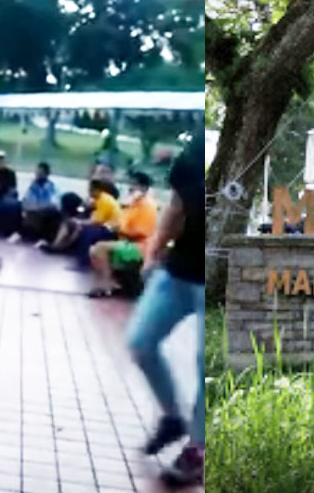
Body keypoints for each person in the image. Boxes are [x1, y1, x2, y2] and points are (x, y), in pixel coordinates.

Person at [126, 134, 204, 486]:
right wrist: (154, 251)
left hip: (218, 278)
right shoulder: (196, 149)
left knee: (205, 361)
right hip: (179, 269)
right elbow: (176, 204)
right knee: (140, 343)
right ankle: (173, 418)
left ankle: (198, 448)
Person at [88, 171, 158, 297]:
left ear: (144, 188)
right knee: (95, 247)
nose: (130, 188)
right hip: (128, 242)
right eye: (130, 184)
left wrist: (119, 230)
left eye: (134, 185)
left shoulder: (147, 205)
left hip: (141, 247)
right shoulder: (134, 204)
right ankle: (114, 283)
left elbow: (141, 232)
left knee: (99, 249)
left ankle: (105, 286)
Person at [52, 179, 120, 260]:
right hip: (106, 225)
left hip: (110, 229)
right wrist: (83, 207)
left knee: (83, 231)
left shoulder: (104, 201)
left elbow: (96, 221)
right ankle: (59, 246)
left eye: (90, 190)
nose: (89, 193)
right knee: (72, 224)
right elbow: (87, 207)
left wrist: (78, 221)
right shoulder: (100, 199)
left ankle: (82, 258)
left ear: (97, 190)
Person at [12, 162, 59, 244]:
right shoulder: (32, 186)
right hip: (33, 210)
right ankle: (21, 234)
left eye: (41, 172)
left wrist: (46, 207)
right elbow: (27, 201)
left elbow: (55, 201)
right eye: (37, 172)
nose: (38, 174)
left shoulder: (51, 186)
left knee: (54, 213)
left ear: (46, 174)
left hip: (46, 210)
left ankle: (46, 240)